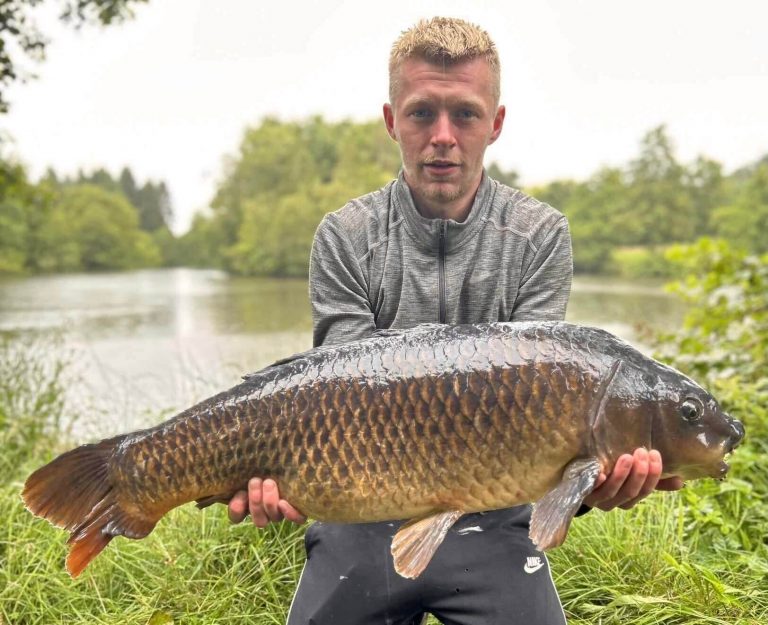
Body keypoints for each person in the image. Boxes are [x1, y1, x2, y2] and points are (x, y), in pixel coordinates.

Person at [228, 16, 684, 625]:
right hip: (363, 512)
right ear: (392, 121)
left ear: (495, 124)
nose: (442, 136)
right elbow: (335, 400)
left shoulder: (539, 235)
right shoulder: (346, 235)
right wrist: (280, 473)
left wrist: (589, 480)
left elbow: (548, 410)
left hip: (494, 520)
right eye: (422, 114)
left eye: (465, 115)